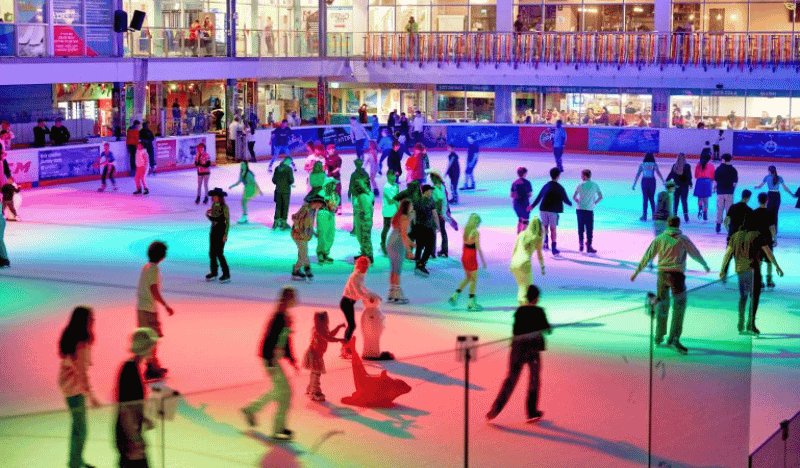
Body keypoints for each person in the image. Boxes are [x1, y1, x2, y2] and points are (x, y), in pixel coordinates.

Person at [631, 216, 710, 355]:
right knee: (679, 307)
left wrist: (637, 271)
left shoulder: (660, 238)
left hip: (662, 276)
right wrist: (704, 265)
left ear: (668, 224)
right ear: (679, 225)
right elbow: (695, 253)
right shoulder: (683, 239)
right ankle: (673, 338)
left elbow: (648, 255)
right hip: (677, 277)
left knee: (662, 304)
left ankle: (659, 335)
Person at [486, 285, 551, 423]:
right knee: (534, 380)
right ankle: (532, 412)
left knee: (511, 380)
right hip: (532, 350)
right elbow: (547, 329)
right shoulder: (539, 311)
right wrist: (545, 328)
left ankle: (494, 410)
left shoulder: (520, 311)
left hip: (517, 349)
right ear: (536, 298)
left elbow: (515, 331)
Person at [241, 287, 299, 440]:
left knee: (279, 390)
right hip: (270, 359)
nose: (294, 300)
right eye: (292, 297)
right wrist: (272, 362)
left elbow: (285, 340)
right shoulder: (279, 317)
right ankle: (277, 430)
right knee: (285, 393)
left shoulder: (284, 316)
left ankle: (251, 409)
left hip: (272, 359)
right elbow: (270, 339)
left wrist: (291, 359)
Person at [720, 221, 783, 335]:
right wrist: (777, 266)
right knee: (754, 297)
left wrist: (722, 269)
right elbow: (768, 252)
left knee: (743, 296)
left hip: (740, 270)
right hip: (754, 270)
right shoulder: (757, 235)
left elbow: (727, 253)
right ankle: (751, 323)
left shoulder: (735, 236)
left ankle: (741, 320)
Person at [58, 306, 100, 468]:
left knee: (78, 427)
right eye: (91, 318)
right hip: (74, 389)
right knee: (80, 429)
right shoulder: (81, 343)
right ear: (85, 321)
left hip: (69, 386)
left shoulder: (72, 337)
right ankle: (75, 462)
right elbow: (82, 373)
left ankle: (76, 460)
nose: (93, 321)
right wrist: (92, 397)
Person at [115, 327, 159, 467]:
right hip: (128, 435)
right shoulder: (129, 370)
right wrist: (134, 438)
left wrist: (145, 419)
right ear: (145, 346)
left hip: (131, 431)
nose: (154, 349)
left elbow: (133, 403)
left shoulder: (133, 367)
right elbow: (126, 408)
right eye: (152, 345)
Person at [136, 241, 174, 379]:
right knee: (152, 339)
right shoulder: (153, 269)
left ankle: (152, 365)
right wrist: (165, 305)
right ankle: (151, 368)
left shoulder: (146, 267)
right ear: (161, 256)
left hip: (142, 307)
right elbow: (154, 290)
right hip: (148, 309)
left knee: (149, 338)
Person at [340, 256, 381, 358]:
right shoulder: (355, 276)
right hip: (346, 302)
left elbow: (362, 288)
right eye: (364, 266)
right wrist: (368, 297)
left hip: (350, 302)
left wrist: (373, 294)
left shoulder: (361, 275)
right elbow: (358, 291)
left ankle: (346, 347)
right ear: (359, 265)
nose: (366, 268)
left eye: (367, 266)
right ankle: (345, 348)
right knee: (352, 325)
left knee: (352, 325)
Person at [303, 311, 346, 402]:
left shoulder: (323, 328)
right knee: (316, 373)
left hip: (317, 355)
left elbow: (330, 334)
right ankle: (314, 391)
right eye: (323, 319)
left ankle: (310, 389)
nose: (325, 321)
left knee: (315, 372)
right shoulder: (317, 330)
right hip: (314, 355)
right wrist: (340, 340)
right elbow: (329, 338)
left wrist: (338, 327)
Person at [529, 167, 572, 255]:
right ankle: (553, 247)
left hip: (543, 209)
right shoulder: (560, 187)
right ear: (558, 176)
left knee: (545, 227)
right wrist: (571, 203)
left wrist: (532, 206)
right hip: (553, 211)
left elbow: (539, 197)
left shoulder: (546, 185)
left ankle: (545, 243)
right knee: (553, 229)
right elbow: (565, 199)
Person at [449, 213, 488, 311]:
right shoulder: (475, 232)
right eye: (478, 222)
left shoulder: (466, 230)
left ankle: (454, 296)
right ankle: (471, 303)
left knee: (467, 278)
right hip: (471, 256)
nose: (479, 224)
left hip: (464, 256)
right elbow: (478, 248)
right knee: (474, 280)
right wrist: (483, 261)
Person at [509, 217, 545, 304]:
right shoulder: (537, 237)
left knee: (521, 287)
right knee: (527, 289)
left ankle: (522, 307)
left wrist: (511, 264)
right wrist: (542, 267)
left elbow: (514, 250)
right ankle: (526, 310)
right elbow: (539, 255)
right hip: (525, 263)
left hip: (515, 263)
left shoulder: (521, 234)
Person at [291, 195, 325, 280]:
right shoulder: (305, 209)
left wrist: (313, 232)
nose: (319, 206)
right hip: (299, 235)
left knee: (302, 254)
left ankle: (296, 270)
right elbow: (295, 217)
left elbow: (308, 224)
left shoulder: (312, 211)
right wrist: (298, 229)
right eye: (319, 204)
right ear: (315, 202)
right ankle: (307, 269)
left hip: (305, 235)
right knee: (304, 254)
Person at [387, 199, 414, 304]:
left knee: (393, 269)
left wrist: (411, 243)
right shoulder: (405, 218)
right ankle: (397, 294)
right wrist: (409, 251)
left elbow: (401, 232)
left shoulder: (397, 216)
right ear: (407, 207)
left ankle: (392, 293)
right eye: (411, 206)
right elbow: (403, 235)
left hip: (391, 241)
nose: (412, 208)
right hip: (398, 244)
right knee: (397, 270)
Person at [754, 165, 793, 235]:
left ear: (769, 171)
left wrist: (756, 187)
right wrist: (791, 193)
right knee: (775, 213)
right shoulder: (779, 178)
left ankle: (768, 229)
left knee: (769, 213)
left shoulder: (767, 177)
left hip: (770, 195)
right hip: (777, 195)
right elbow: (785, 187)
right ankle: (775, 230)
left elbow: (760, 186)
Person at [409, 184, 439, 275]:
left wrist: (413, 225)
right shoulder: (431, 201)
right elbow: (434, 214)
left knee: (419, 245)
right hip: (428, 227)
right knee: (429, 247)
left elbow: (412, 213)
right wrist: (437, 225)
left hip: (418, 227)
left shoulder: (417, 200)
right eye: (430, 190)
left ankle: (417, 264)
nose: (431, 192)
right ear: (426, 191)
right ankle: (421, 264)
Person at [752, 193, 778, 289]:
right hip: (767, 240)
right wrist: (774, 238)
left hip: (757, 240)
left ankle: (760, 280)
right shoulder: (770, 212)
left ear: (758, 201)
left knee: (758, 261)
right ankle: (769, 280)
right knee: (769, 260)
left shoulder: (754, 212)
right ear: (767, 200)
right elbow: (772, 227)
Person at [573, 169, 603, 253]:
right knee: (589, 228)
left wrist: (578, 202)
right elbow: (600, 196)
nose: (581, 177)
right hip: (589, 209)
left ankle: (581, 244)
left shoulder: (580, 185)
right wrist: (594, 203)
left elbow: (574, 197)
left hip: (580, 209)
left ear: (585, 176)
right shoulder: (595, 185)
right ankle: (589, 245)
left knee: (580, 227)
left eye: (582, 175)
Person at [205, 187, 230, 283]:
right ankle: (214, 272)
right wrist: (208, 215)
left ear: (220, 197)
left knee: (219, 253)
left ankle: (226, 274)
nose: (214, 198)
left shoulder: (224, 207)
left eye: (216, 196)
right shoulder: (214, 205)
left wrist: (225, 235)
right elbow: (214, 220)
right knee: (212, 253)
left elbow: (227, 222)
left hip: (221, 231)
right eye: (213, 196)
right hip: (213, 231)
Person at [632, 152, 665, 221]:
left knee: (645, 199)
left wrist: (634, 183)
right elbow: (658, 173)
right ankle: (654, 215)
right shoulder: (654, 164)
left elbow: (638, 174)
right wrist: (663, 180)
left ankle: (644, 216)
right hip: (652, 181)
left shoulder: (642, 165)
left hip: (644, 181)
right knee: (652, 198)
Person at [316, 178, 340, 263]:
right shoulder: (322, 193)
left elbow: (336, 204)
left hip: (331, 215)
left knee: (330, 234)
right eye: (333, 184)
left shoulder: (335, 195)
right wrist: (326, 202)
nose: (334, 186)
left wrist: (335, 207)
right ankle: (320, 253)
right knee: (322, 234)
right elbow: (316, 204)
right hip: (323, 213)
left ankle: (326, 253)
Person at [714, 154, 738, 233]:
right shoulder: (733, 169)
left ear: (723, 160)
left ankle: (718, 225)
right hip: (729, 192)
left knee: (719, 209)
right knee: (729, 210)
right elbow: (735, 182)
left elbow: (715, 180)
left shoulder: (719, 169)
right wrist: (732, 190)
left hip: (720, 192)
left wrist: (715, 188)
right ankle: (730, 226)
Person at [429, 170, 450, 258]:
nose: (431, 180)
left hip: (438, 213)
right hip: (443, 213)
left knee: (433, 232)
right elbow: (445, 200)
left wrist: (438, 213)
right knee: (443, 231)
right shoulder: (443, 187)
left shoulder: (435, 188)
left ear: (435, 178)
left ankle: (432, 251)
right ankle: (444, 250)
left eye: (432, 178)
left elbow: (439, 201)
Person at [353, 179, 376, 264]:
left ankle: (368, 255)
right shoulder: (361, 195)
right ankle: (364, 253)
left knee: (365, 237)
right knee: (361, 237)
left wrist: (365, 221)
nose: (359, 186)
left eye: (360, 184)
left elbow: (367, 210)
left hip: (364, 220)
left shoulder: (367, 195)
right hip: (360, 219)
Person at [666, 153, 692, 222]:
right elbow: (689, 176)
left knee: (676, 201)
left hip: (676, 186)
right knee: (684, 201)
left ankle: (674, 215)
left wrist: (667, 180)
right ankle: (686, 216)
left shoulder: (675, 166)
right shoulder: (687, 166)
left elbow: (671, 174)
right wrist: (690, 183)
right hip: (684, 186)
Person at [272, 156, 294, 230]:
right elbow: (291, 180)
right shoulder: (289, 169)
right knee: (285, 207)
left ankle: (276, 222)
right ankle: (283, 223)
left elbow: (274, 180)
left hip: (278, 191)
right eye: (290, 162)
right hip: (286, 191)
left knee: (278, 207)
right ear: (287, 161)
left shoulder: (277, 168)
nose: (290, 163)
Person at [381, 171, 400, 255]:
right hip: (388, 211)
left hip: (395, 211)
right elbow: (392, 199)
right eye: (393, 176)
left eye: (395, 176)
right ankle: (383, 244)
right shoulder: (386, 187)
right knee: (386, 228)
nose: (395, 177)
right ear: (388, 176)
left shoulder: (396, 185)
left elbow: (398, 196)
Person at [693, 152, 714, 222]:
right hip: (708, 182)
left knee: (700, 197)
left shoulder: (698, 165)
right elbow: (712, 176)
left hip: (700, 181)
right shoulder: (711, 166)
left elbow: (695, 175)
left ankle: (700, 205)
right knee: (706, 198)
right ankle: (705, 212)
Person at [511, 167, 533, 233]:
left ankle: (519, 234)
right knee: (525, 219)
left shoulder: (514, 183)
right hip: (525, 203)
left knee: (520, 219)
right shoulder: (527, 183)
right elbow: (530, 194)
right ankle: (524, 234)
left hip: (516, 204)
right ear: (524, 173)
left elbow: (512, 195)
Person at [325, 144, 343, 210]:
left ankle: (339, 207)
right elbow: (326, 167)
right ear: (327, 150)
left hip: (336, 178)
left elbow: (338, 168)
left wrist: (332, 172)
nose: (332, 150)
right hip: (329, 178)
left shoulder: (338, 158)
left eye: (333, 149)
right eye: (330, 149)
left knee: (337, 192)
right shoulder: (327, 158)